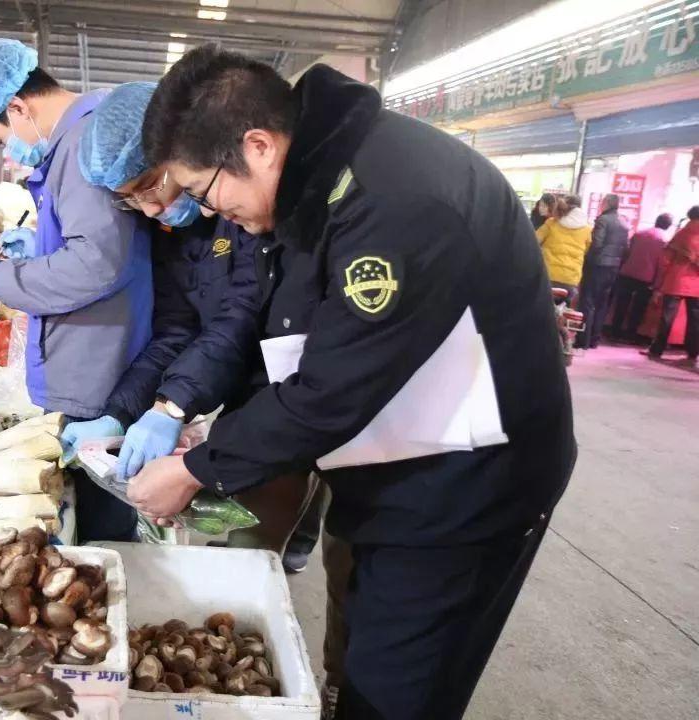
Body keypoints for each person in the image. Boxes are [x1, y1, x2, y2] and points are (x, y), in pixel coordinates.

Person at [132, 46, 575, 719]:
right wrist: (209, 430)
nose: (214, 213)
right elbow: (287, 341)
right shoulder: (309, 186)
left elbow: (334, 388)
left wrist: (198, 467)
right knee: (368, 653)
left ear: (256, 145)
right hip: (394, 459)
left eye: (203, 192)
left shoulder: (396, 198)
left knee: (397, 689)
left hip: (467, 486)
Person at [58, 81, 324, 571]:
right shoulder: (170, 234)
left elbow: (239, 316)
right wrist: (121, 411)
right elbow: (176, 329)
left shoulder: (244, 213)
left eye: (151, 187)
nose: (152, 208)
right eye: (131, 201)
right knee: (242, 528)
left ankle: (289, 549)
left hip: (284, 389)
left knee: (262, 539)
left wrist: (172, 405)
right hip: (244, 394)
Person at [0, 39, 153, 543]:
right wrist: (38, 248)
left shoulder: (84, 141)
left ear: (19, 107)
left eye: (1, 137)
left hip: (100, 361)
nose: (9, 149)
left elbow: (96, 264)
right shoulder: (76, 138)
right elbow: (88, 241)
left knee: (105, 523)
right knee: (89, 508)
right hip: (93, 353)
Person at [648, 206, 699, 367]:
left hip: (675, 281)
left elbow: (666, 260)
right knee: (695, 320)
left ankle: (657, 349)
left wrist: (659, 282)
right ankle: (692, 352)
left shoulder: (682, 234)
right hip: (696, 283)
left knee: (667, 318)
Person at [577, 194, 629, 349]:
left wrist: (588, 262)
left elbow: (597, 244)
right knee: (602, 304)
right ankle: (594, 339)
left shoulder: (602, 220)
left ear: (606, 204)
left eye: (602, 202)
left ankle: (583, 340)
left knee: (588, 302)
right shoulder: (624, 223)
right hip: (613, 268)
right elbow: (626, 249)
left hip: (598, 266)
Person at [610, 213, 673, 343]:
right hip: (647, 277)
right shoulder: (665, 240)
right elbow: (662, 264)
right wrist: (658, 284)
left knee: (622, 303)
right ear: (668, 226)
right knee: (638, 307)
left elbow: (627, 251)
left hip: (627, 272)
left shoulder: (639, 233)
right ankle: (630, 333)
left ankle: (615, 330)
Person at [535, 195, 591, 304]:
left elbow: (534, 240)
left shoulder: (552, 223)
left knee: (541, 308)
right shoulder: (587, 229)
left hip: (549, 275)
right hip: (571, 279)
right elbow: (586, 251)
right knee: (564, 311)